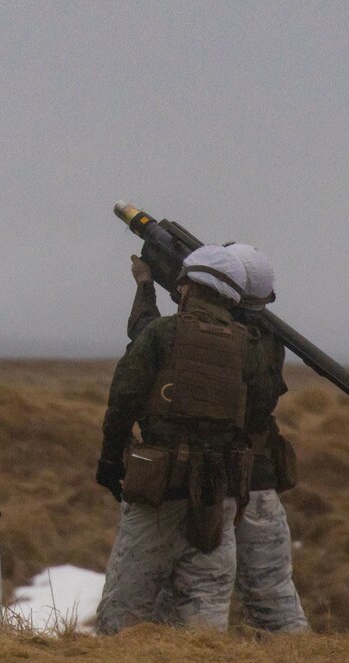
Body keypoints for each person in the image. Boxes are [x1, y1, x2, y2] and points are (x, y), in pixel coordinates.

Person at [127, 244, 309, 633]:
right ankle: (294, 660)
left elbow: (146, 336)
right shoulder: (266, 339)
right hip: (254, 482)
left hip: (208, 486)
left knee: (179, 595)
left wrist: (145, 286)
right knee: (271, 597)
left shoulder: (217, 339)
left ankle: (187, 660)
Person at [94, 245, 263, 635]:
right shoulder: (248, 346)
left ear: (187, 287)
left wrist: (110, 461)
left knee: (123, 613)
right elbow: (257, 411)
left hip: (159, 493)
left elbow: (123, 400)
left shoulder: (162, 333)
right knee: (206, 615)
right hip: (218, 495)